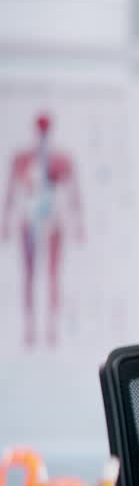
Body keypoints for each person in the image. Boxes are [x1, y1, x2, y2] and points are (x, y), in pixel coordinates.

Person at [1, 113, 84, 348]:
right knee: (29, 275)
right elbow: (10, 189)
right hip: (29, 219)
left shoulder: (61, 159)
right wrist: (5, 221)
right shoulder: (22, 158)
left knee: (52, 275)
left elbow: (73, 191)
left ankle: (51, 328)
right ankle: (30, 328)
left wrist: (78, 223)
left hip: (52, 220)